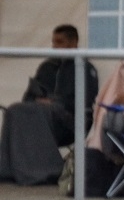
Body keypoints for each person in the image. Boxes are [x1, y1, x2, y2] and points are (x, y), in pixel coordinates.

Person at [0, 24, 98, 185]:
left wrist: (54, 102)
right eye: (53, 42)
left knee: (34, 112)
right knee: (14, 110)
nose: (54, 46)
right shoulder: (47, 67)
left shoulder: (85, 68)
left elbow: (85, 101)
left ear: (74, 43)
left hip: (71, 122)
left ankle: (48, 171)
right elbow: (28, 98)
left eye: (59, 42)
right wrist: (38, 100)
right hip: (42, 114)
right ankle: (9, 170)